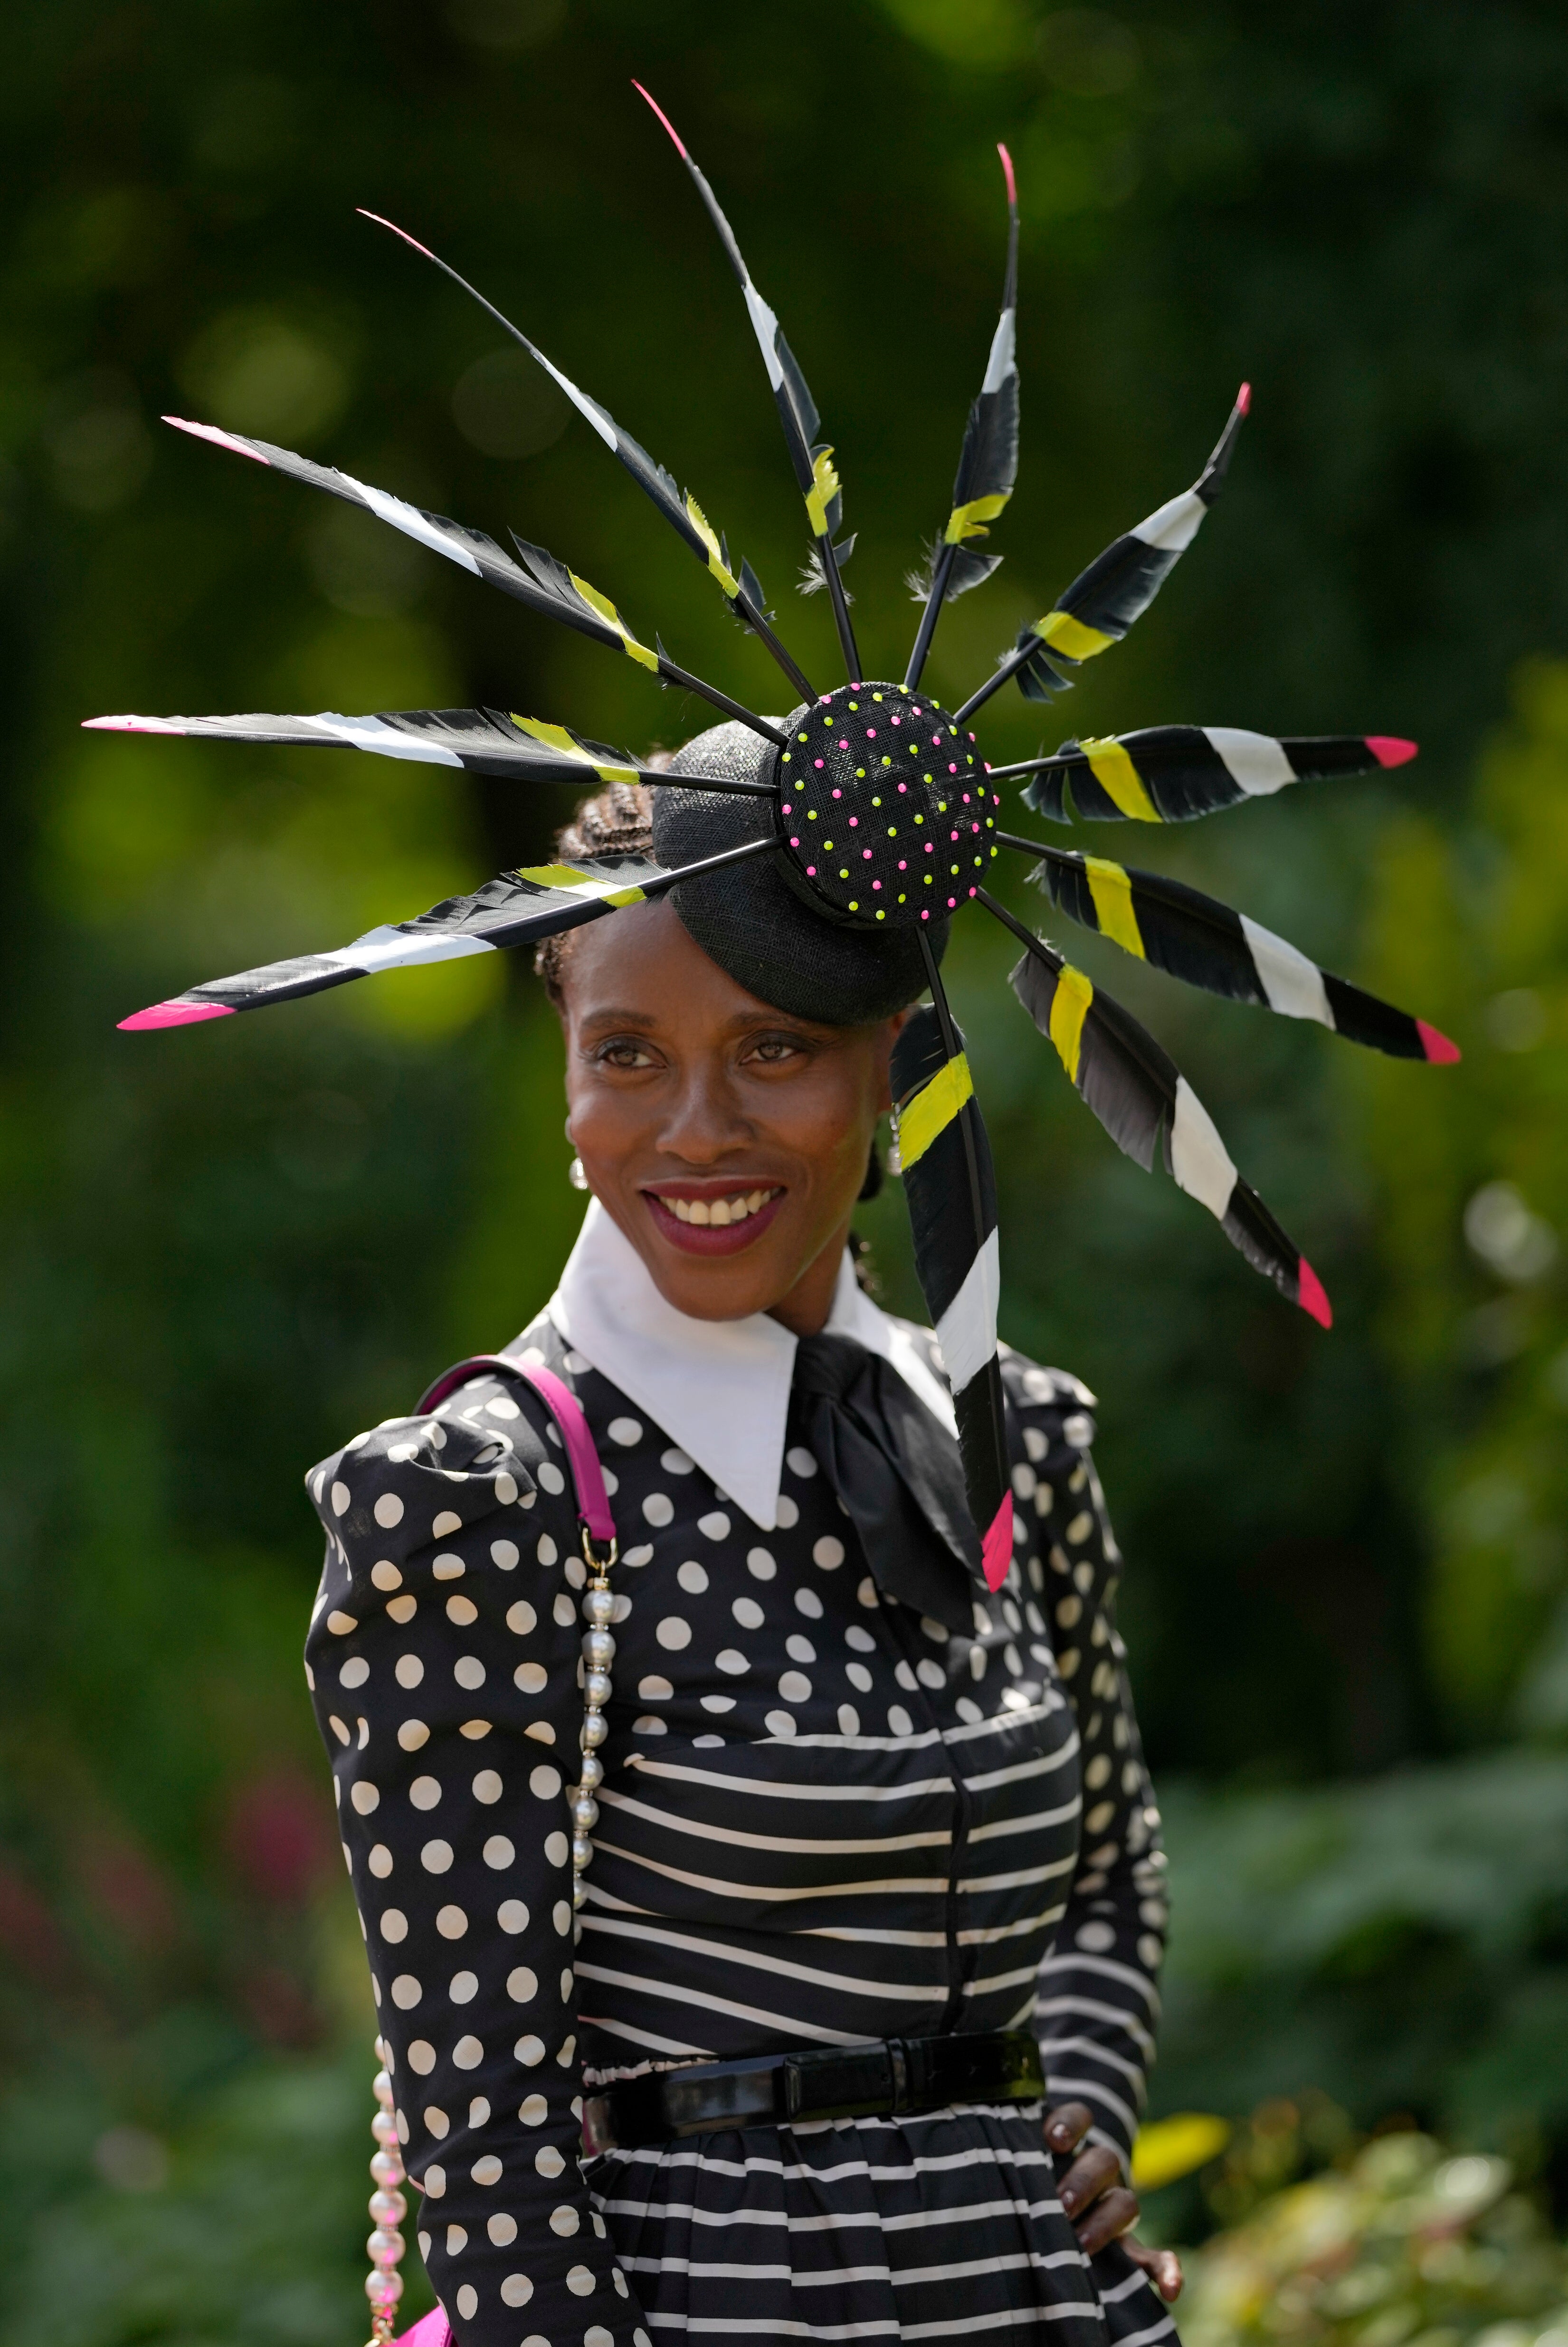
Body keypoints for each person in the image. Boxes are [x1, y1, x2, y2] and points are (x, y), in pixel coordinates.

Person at [305, 757, 1184, 2347]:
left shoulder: (1017, 1442)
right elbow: (487, 2144)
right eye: (626, 1055)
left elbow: (1111, 1874)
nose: (696, 1131)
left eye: (774, 1047)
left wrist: (1084, 2125)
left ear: (894, 1057)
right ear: (567, 1074)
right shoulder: (480, 1507)